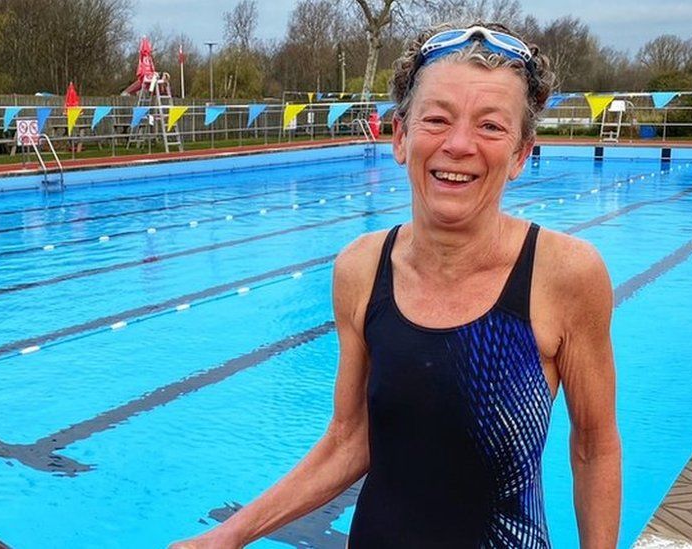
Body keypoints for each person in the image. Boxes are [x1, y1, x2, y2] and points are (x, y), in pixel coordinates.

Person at [171, 22, 621, 548]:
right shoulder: (361, 269)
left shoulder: (564, 274)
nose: (458, 145)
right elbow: (349, 439)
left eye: (491, 127)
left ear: (521, 154)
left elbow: (594, 446)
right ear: (401, 138)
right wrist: (228, 536)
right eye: (437, 119)